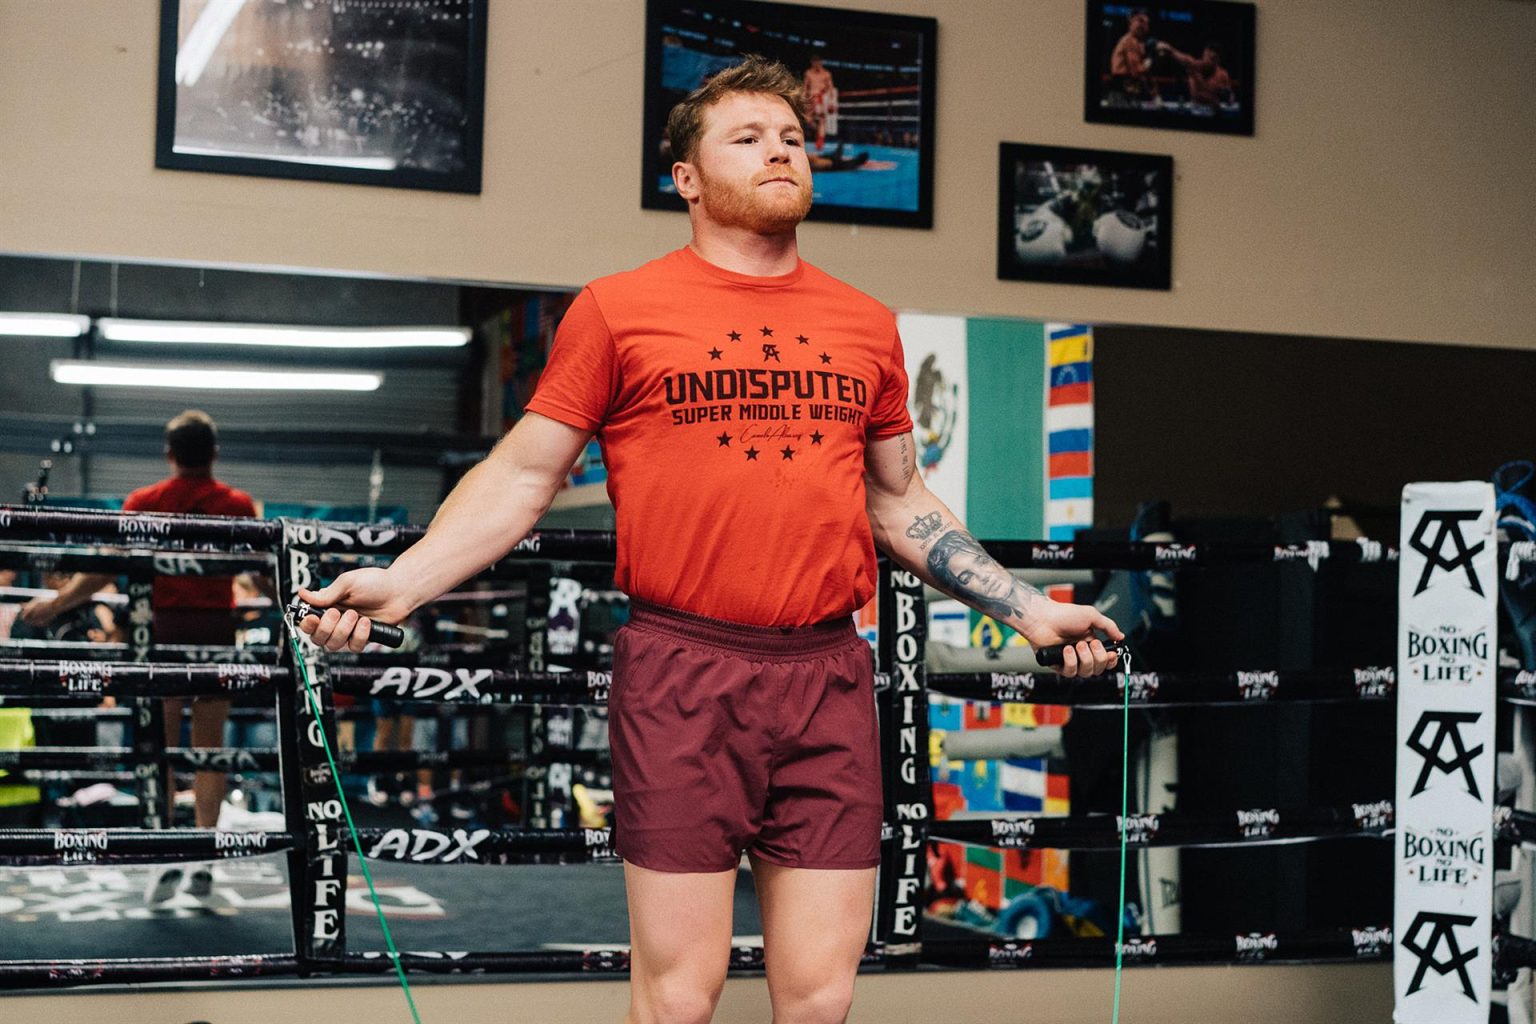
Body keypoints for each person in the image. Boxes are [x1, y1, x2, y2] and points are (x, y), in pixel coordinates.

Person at [297, 55, 1120, 1024]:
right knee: (681, 995)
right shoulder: (618, 310)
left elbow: (899, 502)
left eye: (793, 138)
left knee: (821, 996)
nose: (781, 149)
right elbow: (525, 475)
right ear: (685, 177)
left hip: (826, 673)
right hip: (686, 670)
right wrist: (403, 582)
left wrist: (1030, 611)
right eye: (748, 136)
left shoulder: (864, 325)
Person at [22, 409, 260, 902]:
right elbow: (261, 575)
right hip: (214, 634)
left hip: (160, 634)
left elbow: (108, 569)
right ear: (214, 452)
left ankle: (165, 854)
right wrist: (310, 603)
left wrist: (56, 604)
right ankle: (205, 853)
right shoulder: (236, 505)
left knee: (162, 748)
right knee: (210, 748)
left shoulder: (145, 502)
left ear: (169, 454)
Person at [1156, 41, 1235, 110]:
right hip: (1195, 108)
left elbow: (1230, 98)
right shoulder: (1195, 66)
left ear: (1217, 60)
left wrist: (1229, 98)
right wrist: (1167, 48)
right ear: (1203, 54)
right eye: (1206, 56)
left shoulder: (1223, 74)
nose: (1207, 60)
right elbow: (1179, 56)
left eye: (1212, 58)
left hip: (1214, 111)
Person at [801, 55, 835, 152]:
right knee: (807, 119)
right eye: (815, 62)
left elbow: (831, 88)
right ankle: (817, 131)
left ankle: (820, 141)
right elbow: (805, 87)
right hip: (811, 98)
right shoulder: (808, 73)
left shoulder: (826, 74)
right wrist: (803, 99)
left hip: (821, 98)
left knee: (821, 120)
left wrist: (831, 102)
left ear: (821, 62)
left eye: (818, 62)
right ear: (812, 62)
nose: (817, 64)